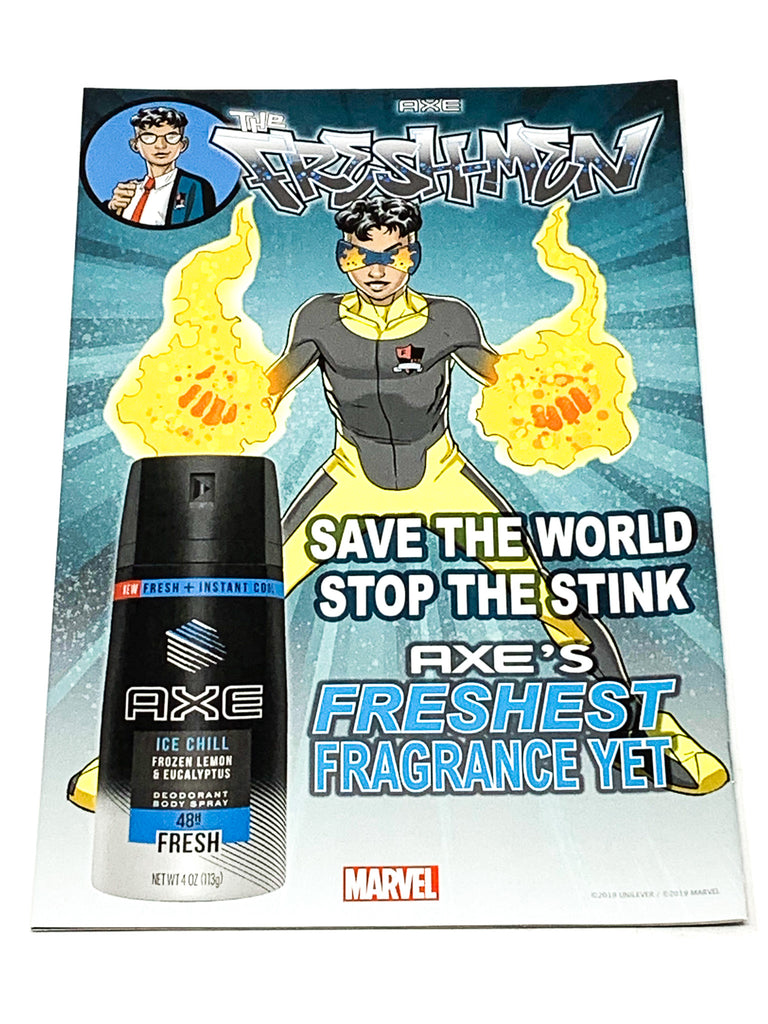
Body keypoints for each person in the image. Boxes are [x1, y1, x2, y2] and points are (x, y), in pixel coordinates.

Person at [67, 197, 727, 811]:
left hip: (441, 476)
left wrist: (563, 394)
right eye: (363, 254)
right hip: (348, 480)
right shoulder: (319, 318)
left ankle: (649, 739)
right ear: (344, 257)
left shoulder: (449, 319)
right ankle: (130, 756)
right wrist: (209, 398)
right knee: (239, 603)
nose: (377, 268)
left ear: (412, 255)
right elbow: (264, 389)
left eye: (392, 253)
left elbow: (511, 381)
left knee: (553, 601)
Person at [106, 106, 215, 227]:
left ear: (182, 144)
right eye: (149, 137)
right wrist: (112, 208)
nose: (161, 145)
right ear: (135, 145)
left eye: (171, 137)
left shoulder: (193, 187)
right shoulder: (128, 192)